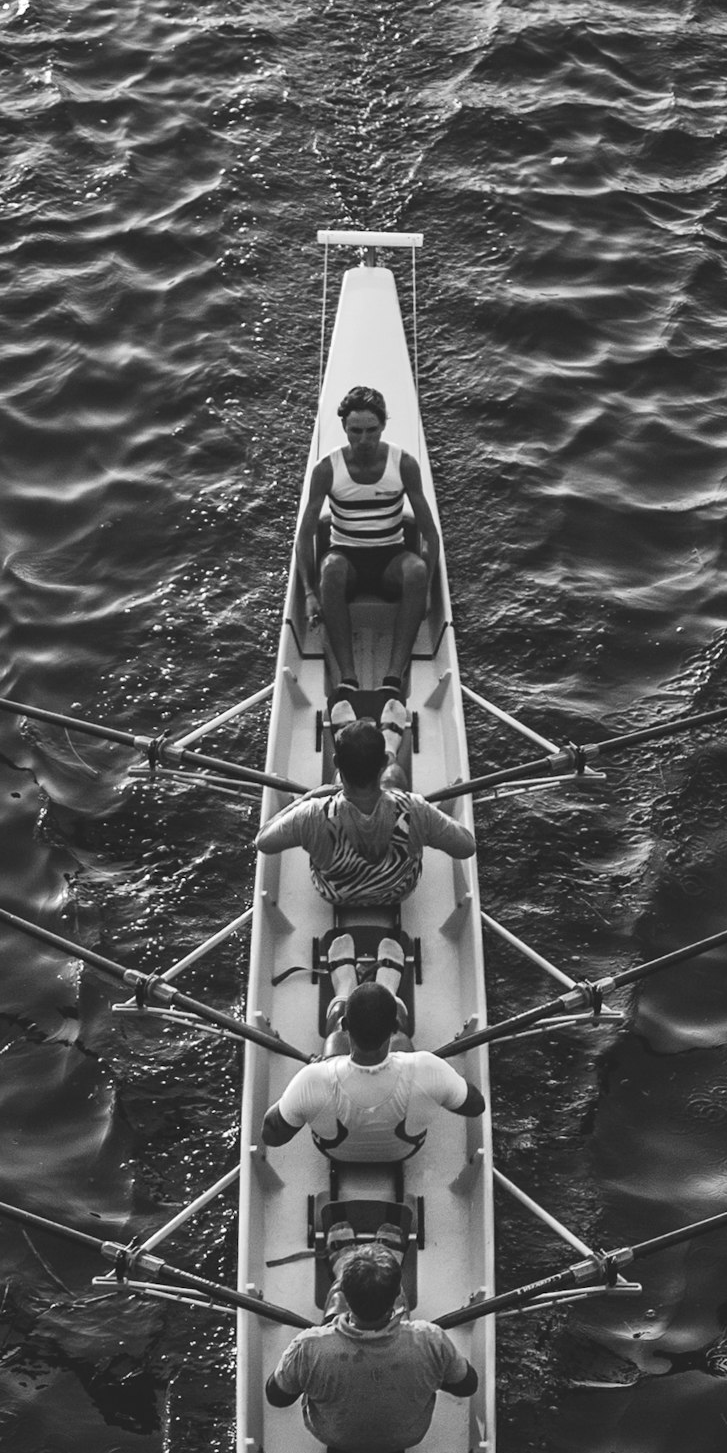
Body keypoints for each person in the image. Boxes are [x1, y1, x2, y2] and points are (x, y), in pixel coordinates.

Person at [256, 718, 475, 1021]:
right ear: (382, 762)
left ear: (337, 762)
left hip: (336, 892)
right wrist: (424, 819)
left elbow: (263, 841)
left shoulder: (312, 814)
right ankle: (392, 742)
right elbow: (466, 846)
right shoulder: (414, 808)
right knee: (397, 777)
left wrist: (309, 798)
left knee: (362, 785)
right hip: (399, 889)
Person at [293, 383, 446, 709]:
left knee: (416, 570)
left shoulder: (403, 464)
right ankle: (347, 677)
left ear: (383, 426)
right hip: (345, 558)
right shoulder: (326, 470)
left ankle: (394, 677)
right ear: (345, 428)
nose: (364, 440)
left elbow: (431, 535)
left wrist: (430, 590)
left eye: (371, 430)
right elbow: (304, 535)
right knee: (331, 569)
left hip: (389, 558)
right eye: (355, 431)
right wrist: (308, 593)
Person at [263, 1242, 478, 1453]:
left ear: (347, 1297)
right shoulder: (431, 1339)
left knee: (332, 1312)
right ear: (396, 1296)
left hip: (332, 1436)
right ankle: (389, 1261)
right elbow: (466, 1385)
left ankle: (341, 1268)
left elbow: (278, 1397)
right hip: (408, 1436)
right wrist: (431, 1373)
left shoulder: (308, 1346)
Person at [261, 977, 485, 1157]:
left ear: (346, 1026)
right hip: (405, 1151)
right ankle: (389, 984)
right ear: (394, 1027)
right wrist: (440, 1080)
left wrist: (313, 1077)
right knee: (404, 1044)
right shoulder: (428, 1067)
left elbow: (271, 1136)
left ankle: (344, 985)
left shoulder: (311, 1080)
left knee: (334, 1043)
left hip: (336, 1152)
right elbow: (476, 1105)